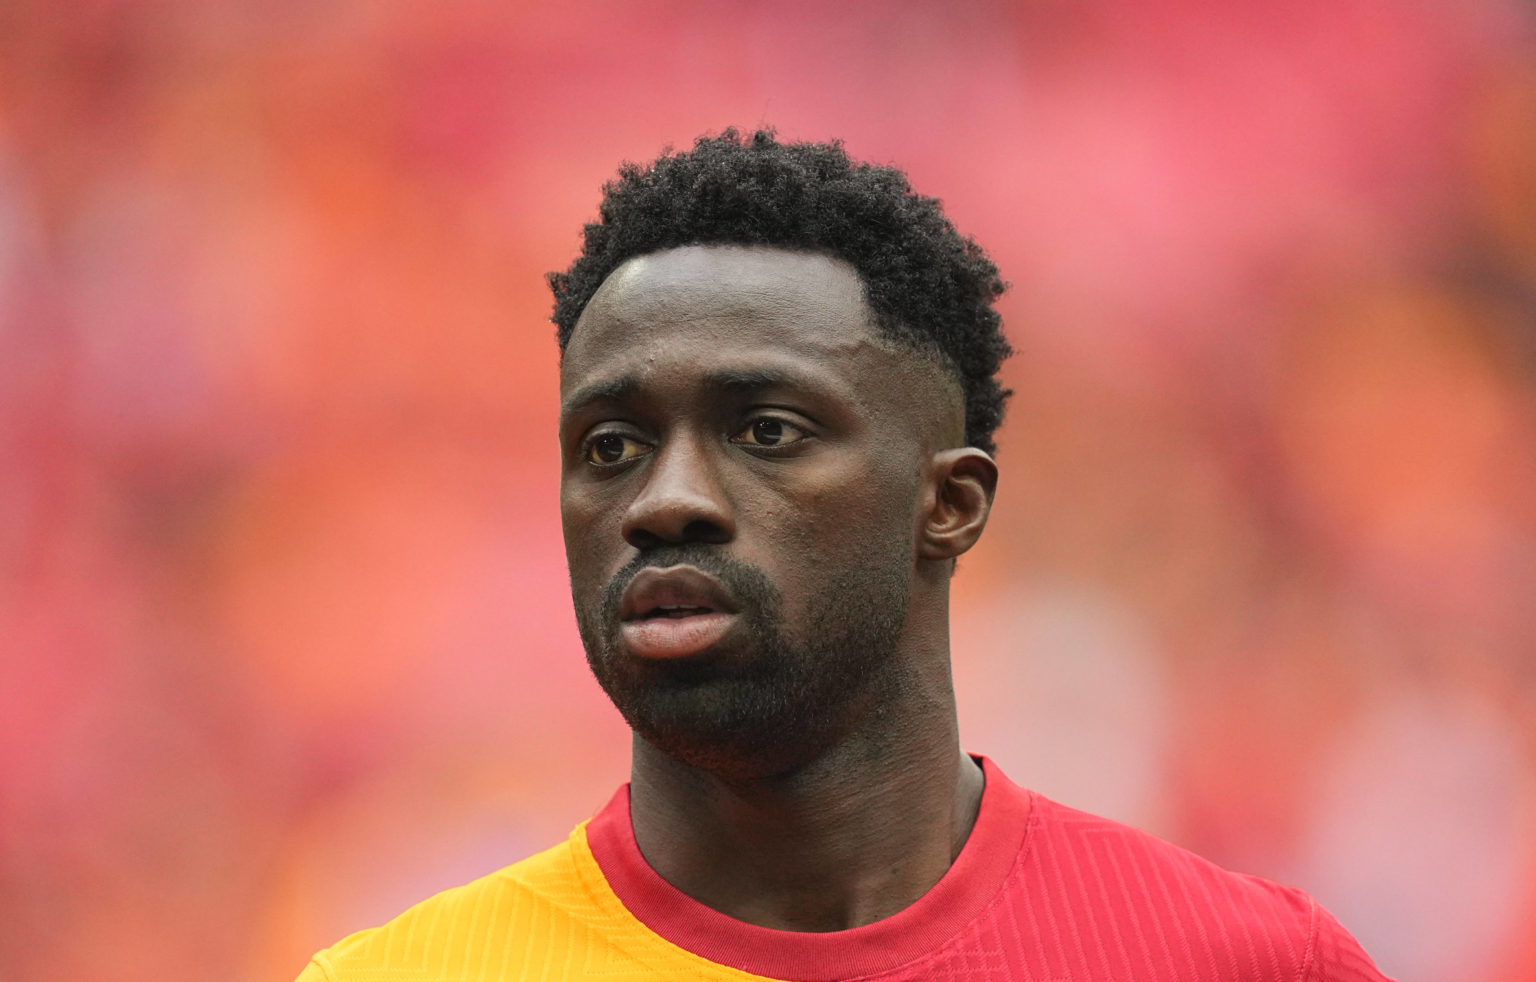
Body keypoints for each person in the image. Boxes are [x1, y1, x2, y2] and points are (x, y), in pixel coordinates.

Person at [297, 129, 1393, 981]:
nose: (665, 501)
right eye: (614, 445)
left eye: (767, 430)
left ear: (950, 503)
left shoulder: (1237, 963)